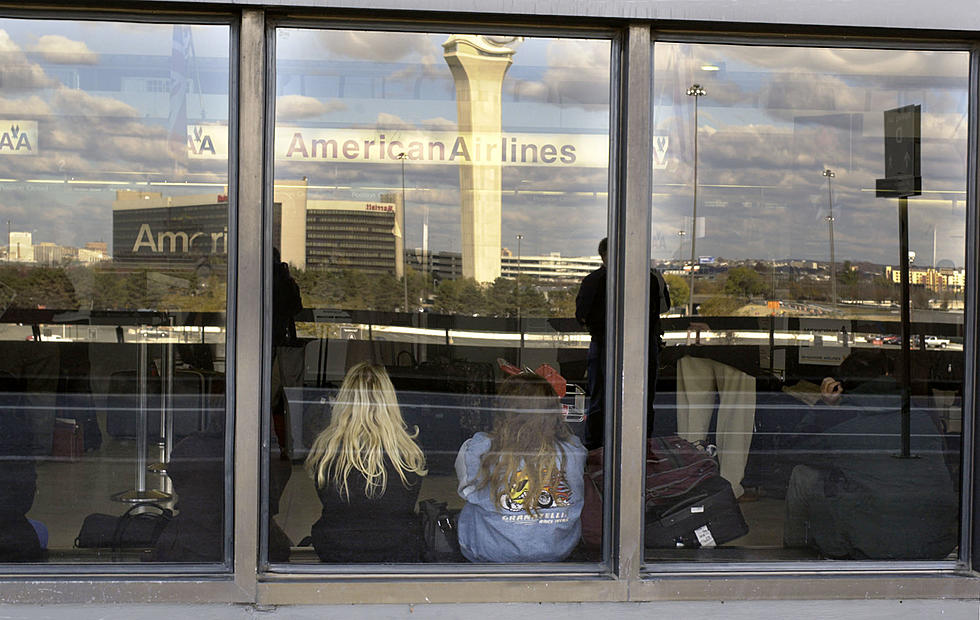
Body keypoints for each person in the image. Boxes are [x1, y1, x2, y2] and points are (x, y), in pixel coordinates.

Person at [455, 372, 586, 563]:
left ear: (503, 411)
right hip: (557, 552)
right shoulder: (574, 450)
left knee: (475, 502)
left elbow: (466, 490)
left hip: (490, 552)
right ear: (553, 413)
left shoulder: (479, 449)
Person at [305, 362, 427, 563]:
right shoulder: (409, 448)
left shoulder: (327, 447)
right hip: (399, 551)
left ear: (345, 399)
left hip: (337, 551)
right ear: (389, 399)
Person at [575, 237, 668, 449]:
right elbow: (661, 309)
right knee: (643, 401)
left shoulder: (594, 280)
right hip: (643, 347)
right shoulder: (651, 279)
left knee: (600, 400)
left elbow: (581, 315)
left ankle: (596, 451)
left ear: (603, 256)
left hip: (605, 345)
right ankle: (642, 448)